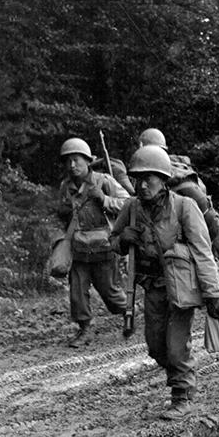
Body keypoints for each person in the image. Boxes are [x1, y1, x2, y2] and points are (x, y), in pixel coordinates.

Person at [111, 146, 219, 410]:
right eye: (138, 179)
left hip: (181, 289)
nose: (142, 185)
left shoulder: (184, 207)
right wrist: (121, 240)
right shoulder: (131, 208)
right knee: (155, 348)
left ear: (163, 180)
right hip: (152, 287)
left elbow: (202, 252)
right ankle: (182, 376)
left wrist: (213, 294)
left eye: (149, 178)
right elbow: (112, 241)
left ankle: (182, 395)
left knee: (175, 348)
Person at [56, 137, 130, 348]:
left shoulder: (104, 181)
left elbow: (128, 204)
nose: (72, 166)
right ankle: (85, 330)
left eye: (76, 160)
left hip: (104, 247)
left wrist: (105, 200)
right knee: (77, 292)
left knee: (110, 292)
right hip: (78, 247)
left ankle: (128, 312)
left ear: (87, 161)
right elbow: (60, 213)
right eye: (68, 161)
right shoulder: (66, 187)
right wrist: (64, 212)